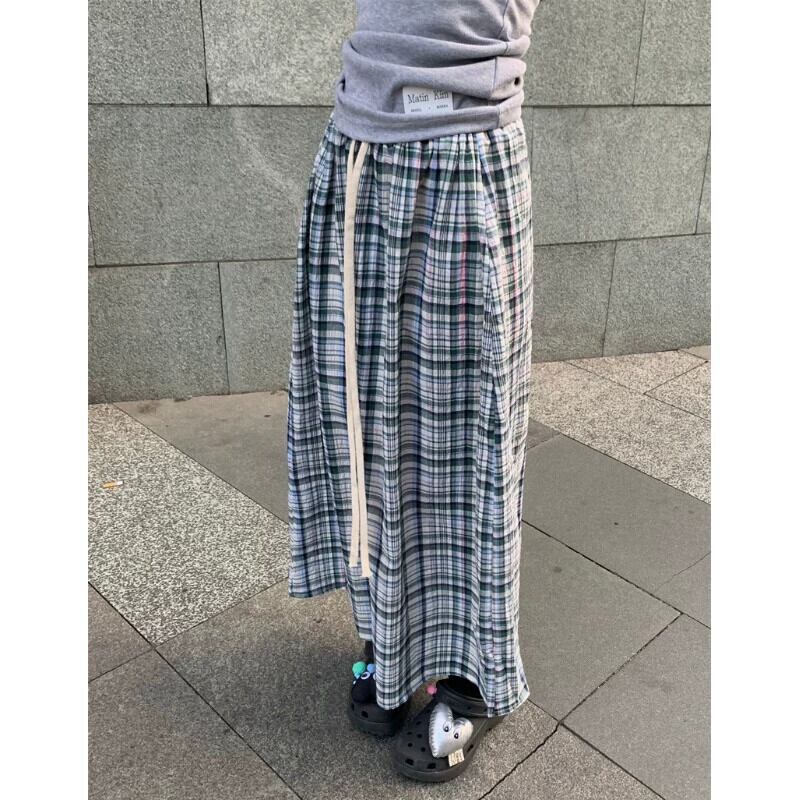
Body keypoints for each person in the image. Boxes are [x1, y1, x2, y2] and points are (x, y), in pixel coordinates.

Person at [287, 0, 541, 782]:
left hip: (463, 153)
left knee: (466, 441)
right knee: (360, 425)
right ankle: (392, 640)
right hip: (358, 150)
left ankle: (472, 679)